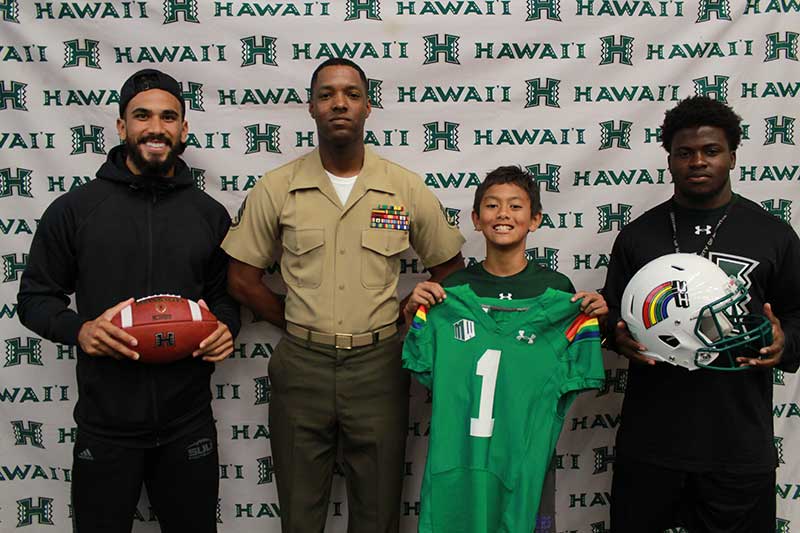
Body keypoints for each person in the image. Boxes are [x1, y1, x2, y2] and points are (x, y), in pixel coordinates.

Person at [221, 57, 465, 532]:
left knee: (377, 515)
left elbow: (451, 271)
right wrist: (293, 322)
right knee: (299, 514)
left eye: (352, 94)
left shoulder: (402, 188)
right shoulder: (279, 187)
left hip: (378, 369)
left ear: (368, 108)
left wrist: (401, 317)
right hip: (302, 370)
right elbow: (242, 279)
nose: (339, 103)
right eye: (327, 94)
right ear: (311, 107)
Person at [16, 68, 240, 533]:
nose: (155, 128)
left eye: (168, 117)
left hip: (188, 424)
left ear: (183, 129)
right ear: (121, 126)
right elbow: (36, 297)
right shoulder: (75, 210)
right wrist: (79, 329)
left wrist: (225, 327)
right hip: (106, 425)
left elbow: (225, 296)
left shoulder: (209, 214)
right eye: (142, 116)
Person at [602, 96, 800, 532]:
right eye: (684, 152)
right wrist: (617, 336)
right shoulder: (639, 235)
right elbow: (612, 313)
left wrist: (786, 342)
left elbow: (797, 315)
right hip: (651, 441)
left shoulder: (773, 235)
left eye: (711, 151)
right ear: (669, 159)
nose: (698, 161)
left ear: (732, 155)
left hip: (738, 444)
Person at [402, 165, 608, 532]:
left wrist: (594, 316)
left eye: (515, 206)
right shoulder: (451, 292)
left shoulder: (559, 292)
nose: (503, 214)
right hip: (460, 459)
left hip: (523, 459)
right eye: (493, 205)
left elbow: (576, 355)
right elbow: (421, 351)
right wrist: (413, 309)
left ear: (535, 219)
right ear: (476, 219)